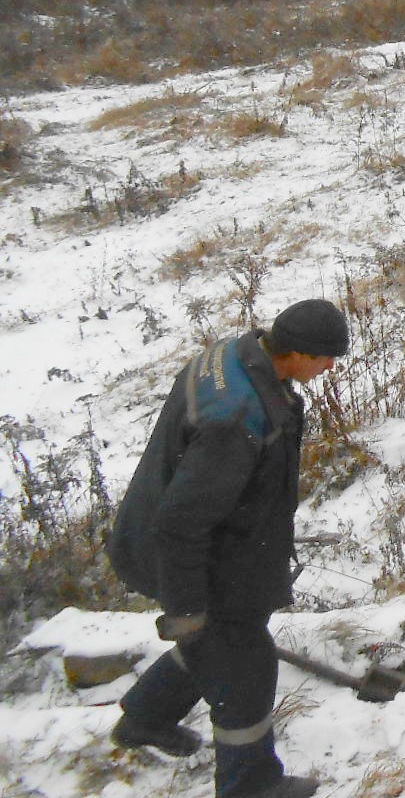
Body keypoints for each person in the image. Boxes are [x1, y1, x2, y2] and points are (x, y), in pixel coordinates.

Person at [108, 298, 351, 798]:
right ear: (297, 353)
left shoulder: (235, 357)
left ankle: (145, 719)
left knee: (215, 643)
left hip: (217, 543)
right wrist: (186, 610)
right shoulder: (238, 419)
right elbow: (181, 523)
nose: (330, 367)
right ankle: (251, 784)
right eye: (326, 357)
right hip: (192, 556)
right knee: (244, 665)